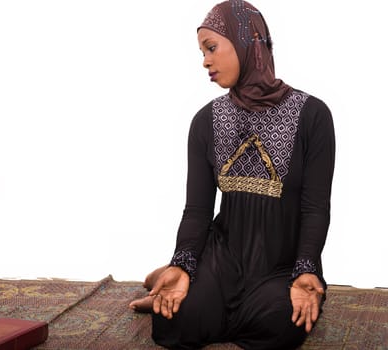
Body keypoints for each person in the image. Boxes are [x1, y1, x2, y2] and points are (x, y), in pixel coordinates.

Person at [129, 1, 335, 348]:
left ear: (249, 41)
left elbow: (315, 208)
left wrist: (306, 269)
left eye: (211, 48)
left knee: (279, 326)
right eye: (202, 52)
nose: (205, 60)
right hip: (223, 258)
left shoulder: (312, 116)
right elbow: (197, 211)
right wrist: (184, 262)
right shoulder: (205, 121)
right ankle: (171, 273)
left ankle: (164, 278)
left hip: (281, 266)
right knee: (176, 322)